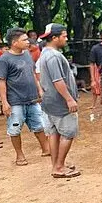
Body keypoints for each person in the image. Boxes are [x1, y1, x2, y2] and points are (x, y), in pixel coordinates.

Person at [0, 28, 50, 166]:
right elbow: (1, 81)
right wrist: (5, 102)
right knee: (15, 128)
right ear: (14, 42)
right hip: (15, 101)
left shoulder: (26, 54)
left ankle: (46, 149)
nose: (28, 42)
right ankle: (19, 155)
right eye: (24, 40)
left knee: (39, 125)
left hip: (32, 98)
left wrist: (39, 90)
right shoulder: (4, 59)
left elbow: (32, 73)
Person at [38, 24, 81, 178]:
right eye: (64, 36)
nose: (66, 38)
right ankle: (60, 166)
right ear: (54, 38)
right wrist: (69, 99)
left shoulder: (45, 53)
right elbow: (58, 80)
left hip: (50, 101)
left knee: (54, 133)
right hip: (60, 101)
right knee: (68, 133)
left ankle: (56, 165)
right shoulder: (54, 56)